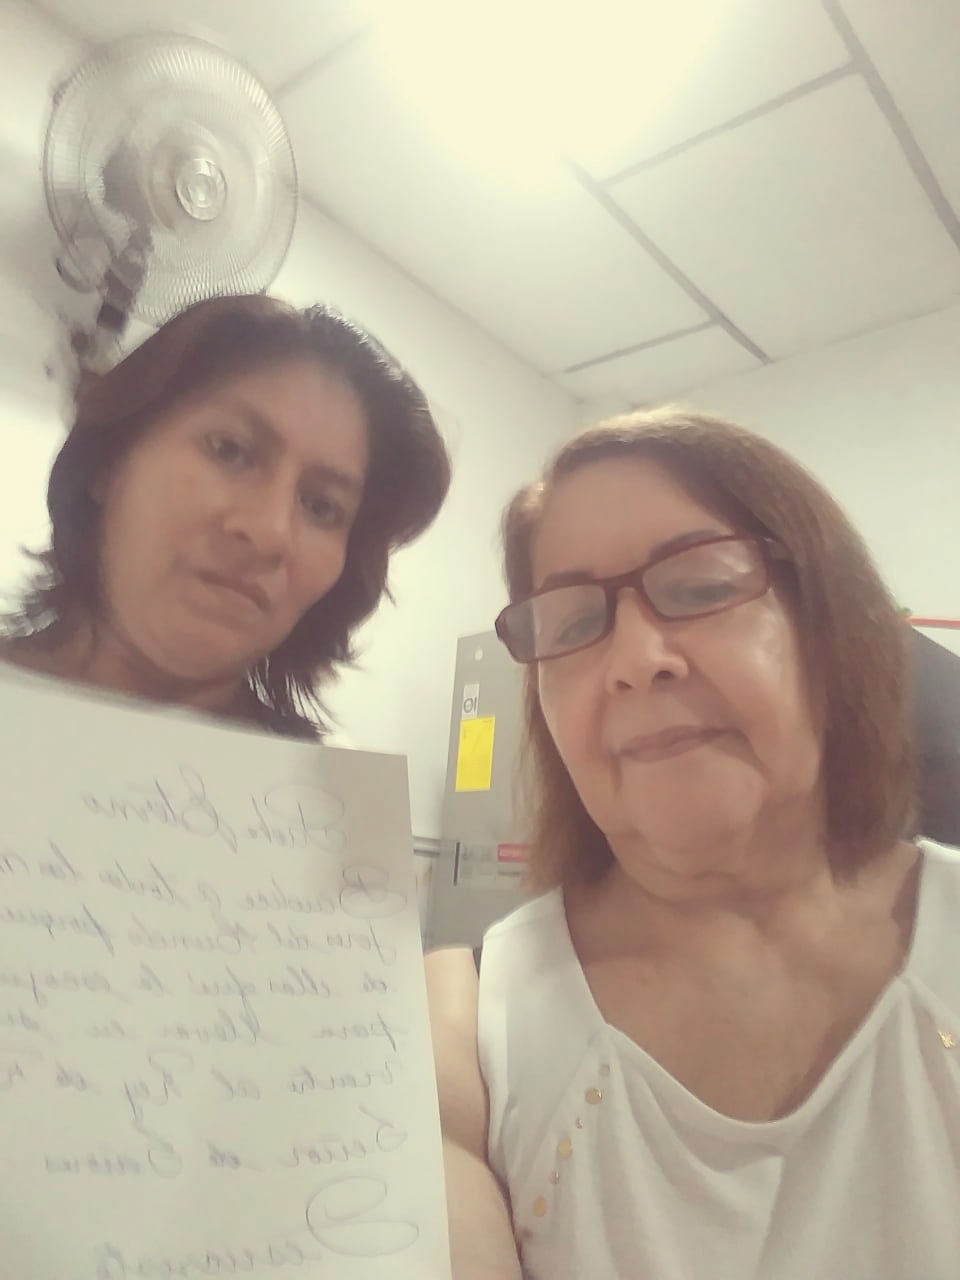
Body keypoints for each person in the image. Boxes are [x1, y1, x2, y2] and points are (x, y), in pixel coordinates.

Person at [426, 408, 960, 1280]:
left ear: (834, 629)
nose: (637, 659)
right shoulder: (461, 1021)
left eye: (703, 585)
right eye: (571, 623)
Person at [0, 293, 451, 736]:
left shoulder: (325, 781)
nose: (270, 532)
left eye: (322, 507)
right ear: (110, 460)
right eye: (229, 450)